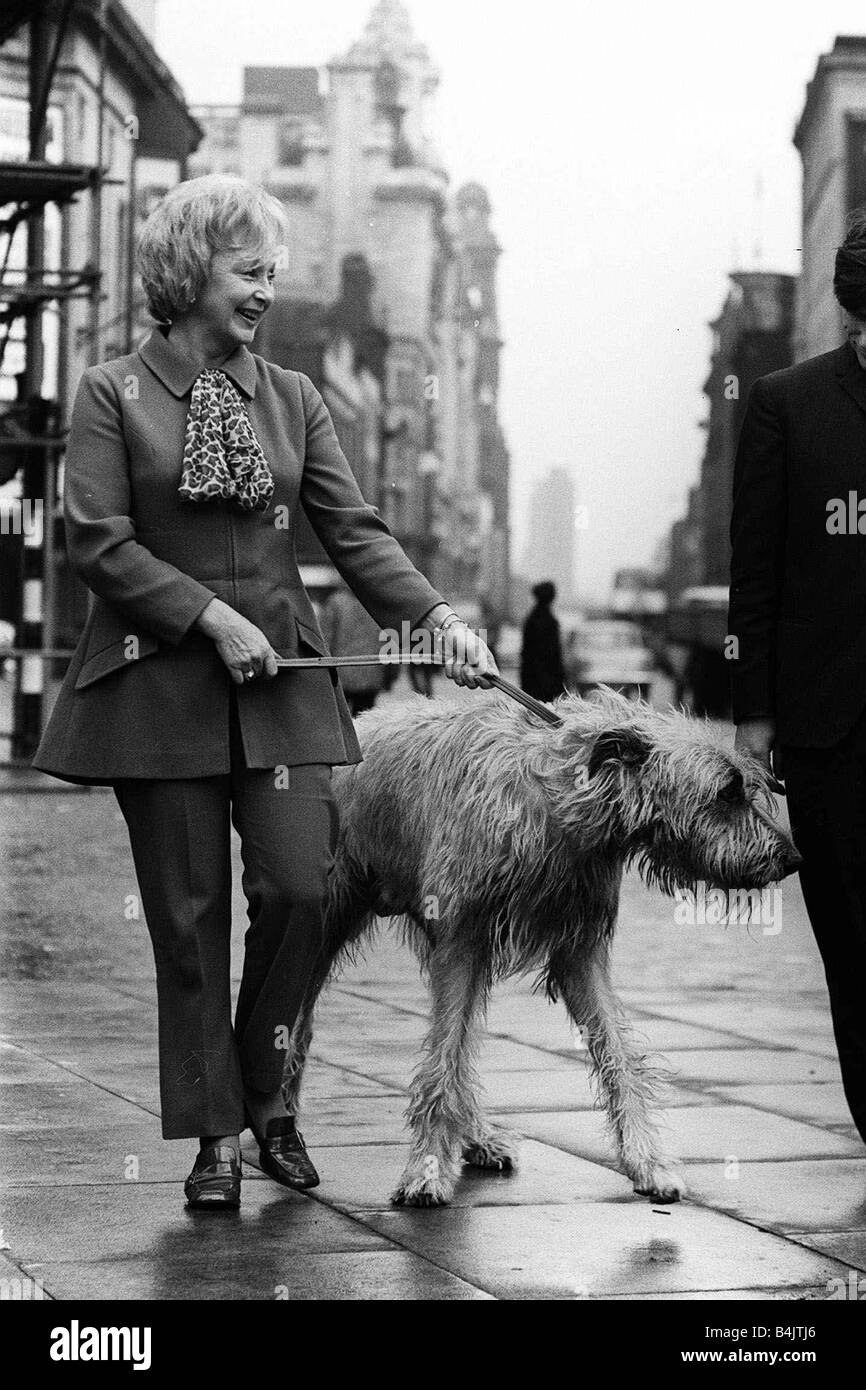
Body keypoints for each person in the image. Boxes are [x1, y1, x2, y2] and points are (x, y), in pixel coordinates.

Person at [32, 174, 497, 1210]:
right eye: (249, 272)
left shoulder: (291, 397)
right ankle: (215, 1140)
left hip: (281, 691)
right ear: (191, 270)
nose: (264, 293)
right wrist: (210, 617)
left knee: (297, 889)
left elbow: (357, 531)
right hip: (156, 692)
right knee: (188, 920)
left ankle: (267, 1097)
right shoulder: (111, 394)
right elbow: (98, 543)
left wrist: (437, 621)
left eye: (272, 274)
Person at [729, 206, 866, 1150]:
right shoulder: (787, 403)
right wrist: (755, 715)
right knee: (853, 945)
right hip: (831, 726)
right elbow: (758, 568)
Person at [321, 584, 385, 717]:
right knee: (364, 722)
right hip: (371, 672)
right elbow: (389, 640)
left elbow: (325, 638)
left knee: (339, 720)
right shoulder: (377, 602)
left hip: (341, 673)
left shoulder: (336, 602)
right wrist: (391, 674)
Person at [520, 580, 566, 702]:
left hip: (531, 679)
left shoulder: (530, 619)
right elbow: (555, 656)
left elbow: (525, 653)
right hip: (549, 681)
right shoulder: (551, 622)